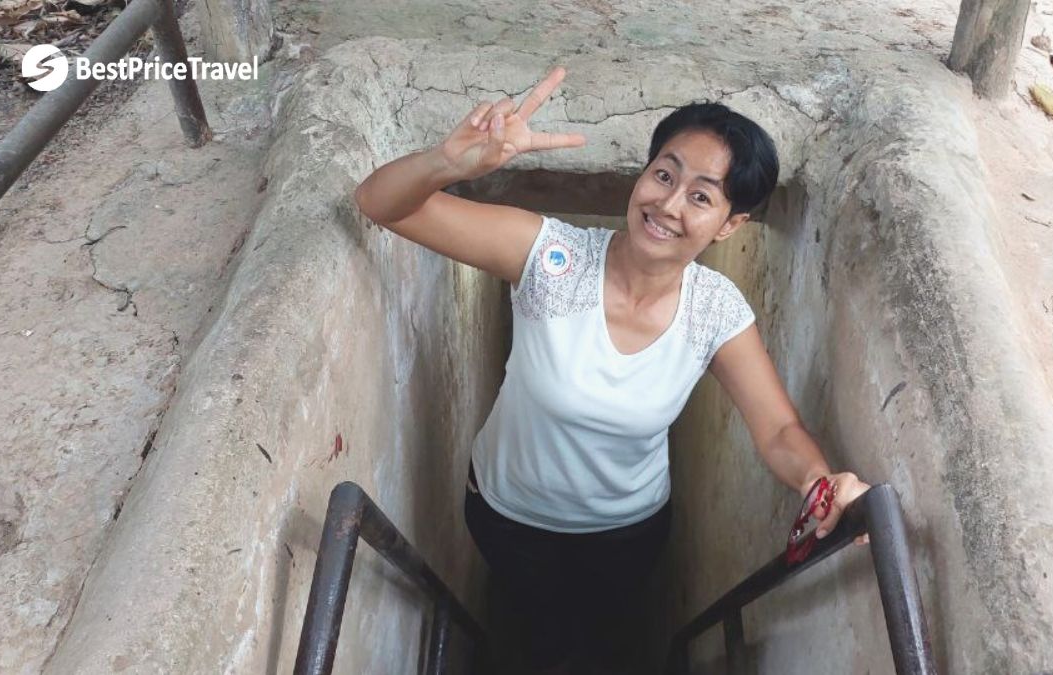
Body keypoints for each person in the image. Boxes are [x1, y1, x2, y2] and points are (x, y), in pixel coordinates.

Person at [354, 66, 870, 674]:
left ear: (730, 225)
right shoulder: (549, 257)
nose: (668, 204)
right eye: (664, 174)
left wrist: (818, 482)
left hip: (626, 533)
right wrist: (448, 163)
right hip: (507, 516)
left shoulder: (716, 311)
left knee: (603, 631)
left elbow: (778, 430)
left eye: (701, 196)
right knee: (534, 626)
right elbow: (379, 204)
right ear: (644, 173)